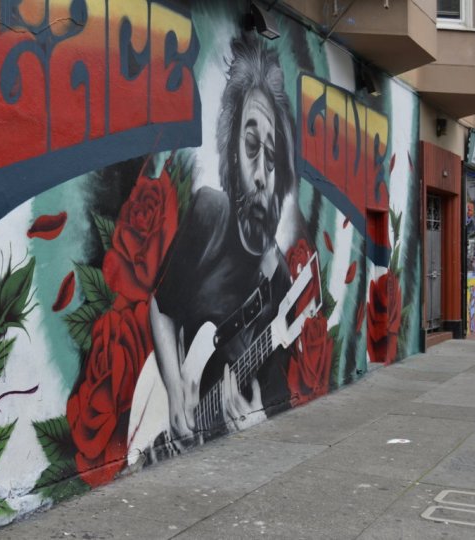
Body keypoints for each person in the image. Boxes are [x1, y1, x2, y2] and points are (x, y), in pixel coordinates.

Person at [149, 33, 298, 445]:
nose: (261, 174)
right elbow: (162, 306)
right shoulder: (208, 214)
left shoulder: (279, 280)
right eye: (251, 147)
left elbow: (277, 396)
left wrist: (255, 417)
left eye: (272, 158)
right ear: (232, 151)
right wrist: (175, 386)